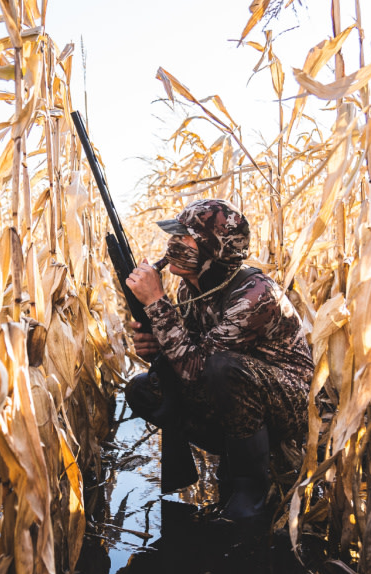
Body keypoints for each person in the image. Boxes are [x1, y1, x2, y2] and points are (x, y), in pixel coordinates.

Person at [123, 199, 314, 525]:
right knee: (144, 389)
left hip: (291, 405)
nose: (172, 244)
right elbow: (186, 355)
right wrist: (156, 348)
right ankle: (230, 455)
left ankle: (249, 494)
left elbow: (200, 369)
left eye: (184, 238)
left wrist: (156, 303)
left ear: (213, 251)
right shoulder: (190, 291)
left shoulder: (254, 295)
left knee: (222, 369)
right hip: (236, 391)